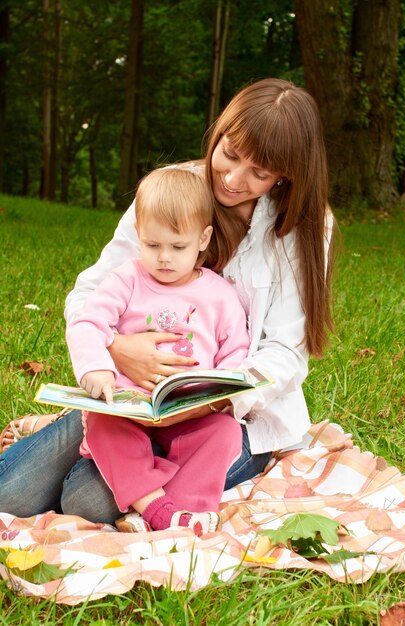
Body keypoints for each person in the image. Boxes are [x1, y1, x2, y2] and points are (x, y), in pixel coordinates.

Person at [0, 78, 334, 527]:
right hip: (131, 402)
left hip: (229, 420)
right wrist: (116, 349)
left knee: (86, 500)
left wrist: (213, 399)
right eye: (230, 154)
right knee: (10, 492)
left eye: (259, 172)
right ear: (219, 134)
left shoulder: (304, 227)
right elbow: (90, 295)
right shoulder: (169, 190)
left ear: (286, 173)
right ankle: (116, 457)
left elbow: (285, 353)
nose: (234, 180)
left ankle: (147, 494)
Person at [65, 166, 249, 535]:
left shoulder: (220, 295)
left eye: (177, 247)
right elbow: (88, 322)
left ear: (203, 238)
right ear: (139, 236)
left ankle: (180, 509)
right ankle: (158, 509)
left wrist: (218, 396)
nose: (164, 258)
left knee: (226, 433)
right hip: (128, 410)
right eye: (152, 245)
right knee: (103, 425)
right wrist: (96, 368)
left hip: (189, 414)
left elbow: (236, 354)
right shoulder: (127, 279)